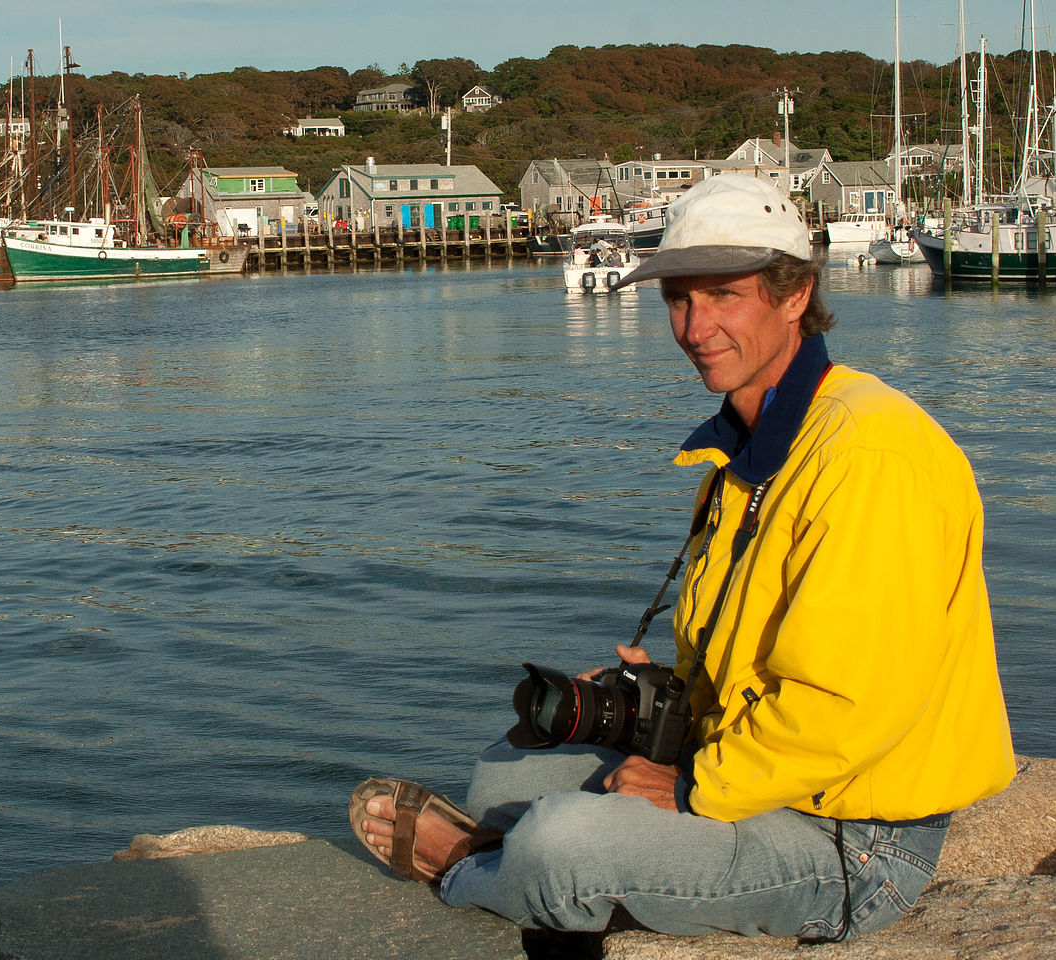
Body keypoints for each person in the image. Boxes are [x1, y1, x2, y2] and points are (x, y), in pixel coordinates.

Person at [350, 173, 1015, 940]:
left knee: (560, 841)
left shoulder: (869, 453)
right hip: (768, 775)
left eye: (723, 295)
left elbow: (849, 705)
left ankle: (470, 871)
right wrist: (665, 691)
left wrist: (696, 787)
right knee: (503, 776)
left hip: (854, 839)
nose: (696, 328)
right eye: (678, 299)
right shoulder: (755, 448)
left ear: (795, 294)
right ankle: (528, 859)